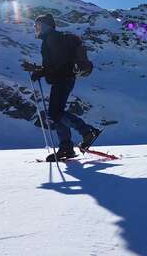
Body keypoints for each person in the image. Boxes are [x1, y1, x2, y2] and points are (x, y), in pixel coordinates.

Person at [23, 14, 101, 162]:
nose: (36, 29)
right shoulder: (53, 38)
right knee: (55, 114)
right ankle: (68, 146)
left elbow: (57, 65)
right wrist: (38, 69)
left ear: (45, 26)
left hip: (62, 79)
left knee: (55, 113)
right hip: (64, 79)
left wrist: (41, 71)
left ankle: (86, 132)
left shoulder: (52, 39)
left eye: (38, 25)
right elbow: (55, 64)